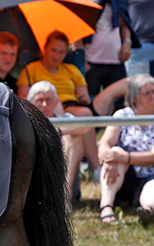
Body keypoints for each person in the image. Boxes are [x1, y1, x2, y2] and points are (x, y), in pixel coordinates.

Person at [98, 74, 154, 224]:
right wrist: (110, 156)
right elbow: (104, 143)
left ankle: (147, 210)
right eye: (147, 93)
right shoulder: (121, 116)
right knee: (115, 153)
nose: (153, 96)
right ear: (134, 97)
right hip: (128, 176)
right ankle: (106, 206)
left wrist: (125, 157)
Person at [17, 31, 100, 170]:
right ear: (45, 49)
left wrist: (83, 97)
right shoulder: (31, 69)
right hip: (42, 107)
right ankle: (95, 168)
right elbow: (23, 98)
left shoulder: (72, 70)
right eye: (53, 50)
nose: (56, 56)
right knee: (81, 121)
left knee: (85, 114)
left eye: (61, 52)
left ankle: (95, 168)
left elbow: (84, 96)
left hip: (70, 108)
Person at [71, 0, 137, 97]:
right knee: (91, 102)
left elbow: (124, 23)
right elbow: (76, 29)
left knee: (120, 104)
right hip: (91, 59)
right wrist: (81, 61)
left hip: (115, 58)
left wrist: (127, 43)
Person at [27, 81, 87, 204]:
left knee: (73, 137)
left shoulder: (66, 119)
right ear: (31, 102)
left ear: (56, 102)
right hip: (37, 170)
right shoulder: (26, 121)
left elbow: (85, 128)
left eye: (48, 100)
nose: (44, 104)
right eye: (40, 100)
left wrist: (57, 130)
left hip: (63, 170)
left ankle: (64, 196)